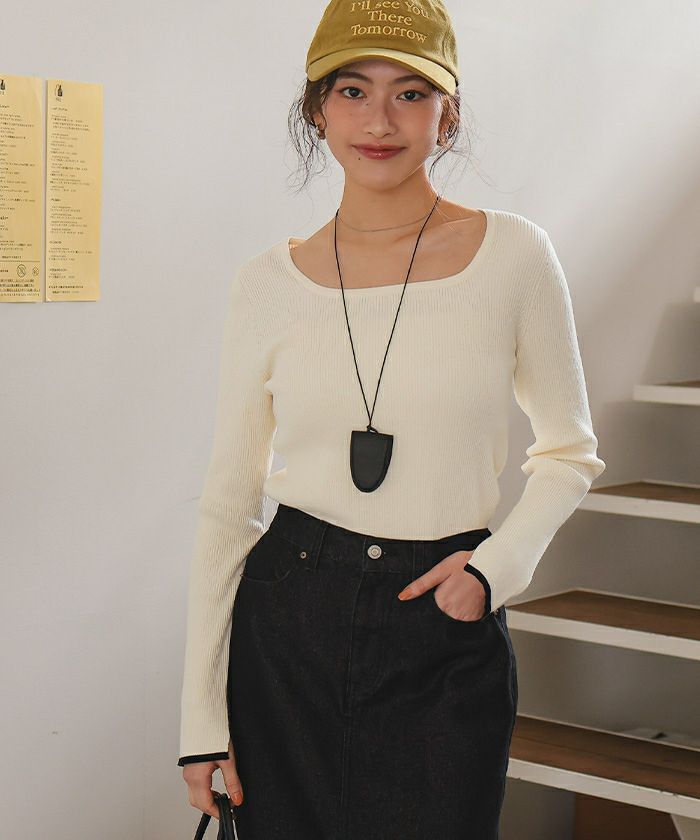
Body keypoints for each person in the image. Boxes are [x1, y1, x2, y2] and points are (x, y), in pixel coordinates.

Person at [178, 1, 606, 837]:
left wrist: (493, 571)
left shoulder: (515, 256)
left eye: (411, 93)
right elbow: (228, 504)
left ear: (449, 115)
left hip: (441, 618)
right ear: (316, 109)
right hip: (290, 618)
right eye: (352, 90)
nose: (379, 121)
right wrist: (200, 722)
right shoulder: (266, 283)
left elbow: (569, 452)